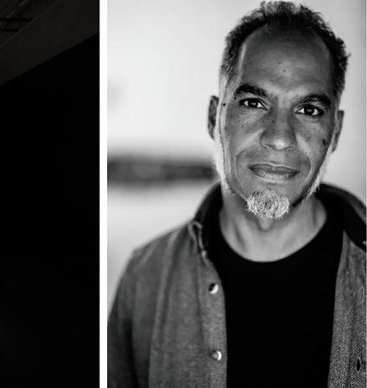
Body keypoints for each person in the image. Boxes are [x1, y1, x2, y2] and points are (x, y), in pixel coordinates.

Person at [108, 2, 365, 387]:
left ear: (337, 132)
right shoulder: (145, 276)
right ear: (215, 118)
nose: (280, 137)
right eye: (253, 103)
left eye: (309, 109)